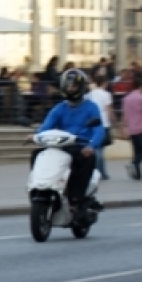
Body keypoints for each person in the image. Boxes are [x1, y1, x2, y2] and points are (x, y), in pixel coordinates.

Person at [35, 69, 105, 211]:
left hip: (80, 145)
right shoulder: (59, 108)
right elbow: (46, 126)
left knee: (86, 160)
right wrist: (36, 135)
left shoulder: (91, 107)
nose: (70, 89)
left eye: (73, 86)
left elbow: (99, 130)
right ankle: (39, 186)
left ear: (81, 87)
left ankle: (76, 197)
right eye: (67, 86)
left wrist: (91, 146)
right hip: (60, 145)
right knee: (37, 155)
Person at [120, 74, 142, 181]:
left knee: (136, 151)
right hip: (141, 127)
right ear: (141, 86)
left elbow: (125, 114)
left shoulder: (126, 99)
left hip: (131, 128)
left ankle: (137, 174)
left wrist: (124, 127)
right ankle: (133, 164)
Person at [86, 74, 114, 180]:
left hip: (91, 123)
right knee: (99, 150)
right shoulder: (106, 94)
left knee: (96, 148)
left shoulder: (89, 95)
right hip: (103, 123)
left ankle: (99, 171)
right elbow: (108, 110)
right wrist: (111, 121)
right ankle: (99, 171)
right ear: (104, 83)